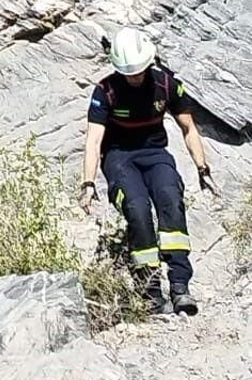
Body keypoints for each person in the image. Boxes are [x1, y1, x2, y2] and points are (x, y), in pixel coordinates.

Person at [81, 26, 218, 315]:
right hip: (119, 158)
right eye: (128, 71)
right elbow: (94, 140)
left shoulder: (166, 85)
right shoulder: (105, 91)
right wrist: (88, 183)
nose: (135, 76)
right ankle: (150, 293)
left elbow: (188, 128)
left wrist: (202, 168)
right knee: (138, 208)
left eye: (139, 69)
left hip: (155, 153)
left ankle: (180, 287)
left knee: (170, 199)